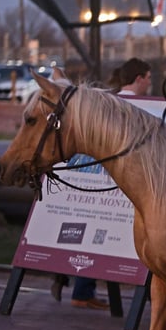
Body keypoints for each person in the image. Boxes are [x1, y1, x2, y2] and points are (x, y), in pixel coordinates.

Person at [51, 58, 153, 309]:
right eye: (149, 77)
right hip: (123, 185)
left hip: (87, 178)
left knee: (92, 234)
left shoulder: (108, 102)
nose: (150, 83)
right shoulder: (143, 109)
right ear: (139, 78)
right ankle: (150, 293)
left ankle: (80, 288)